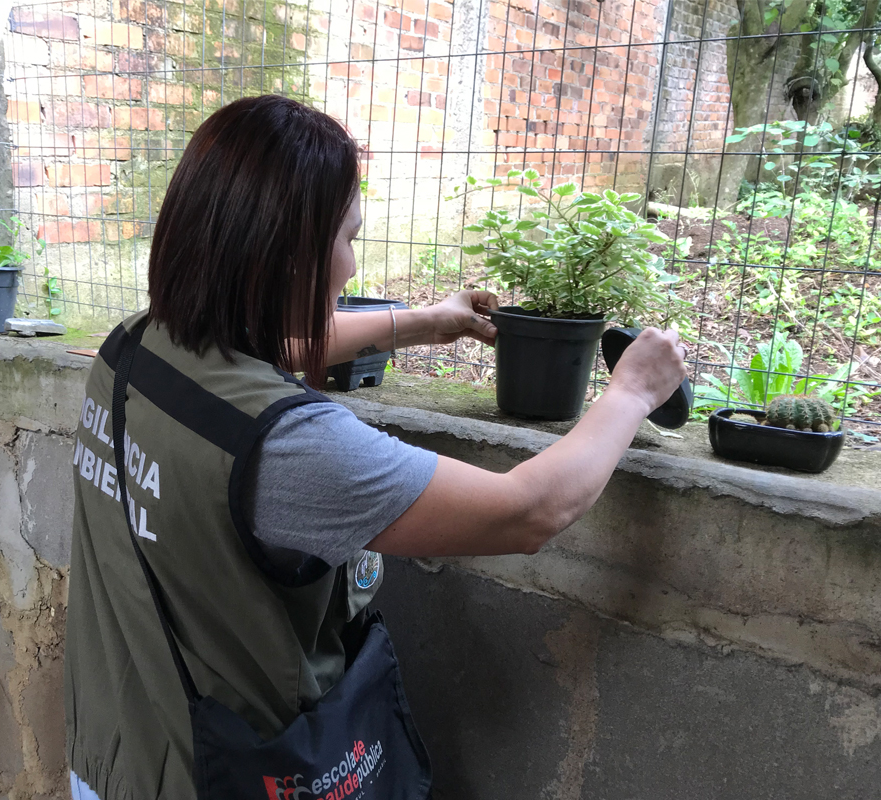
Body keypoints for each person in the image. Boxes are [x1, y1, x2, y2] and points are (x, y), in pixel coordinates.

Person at [64, 94, 687, 800]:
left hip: (112, 753)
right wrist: (632, 391)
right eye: (349, 237)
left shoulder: (130, 349)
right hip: (215, 777)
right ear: (291, 259)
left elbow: (252, 354)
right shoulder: (292, 450)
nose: (353, 265)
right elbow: (530, 510)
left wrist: (421, 323)